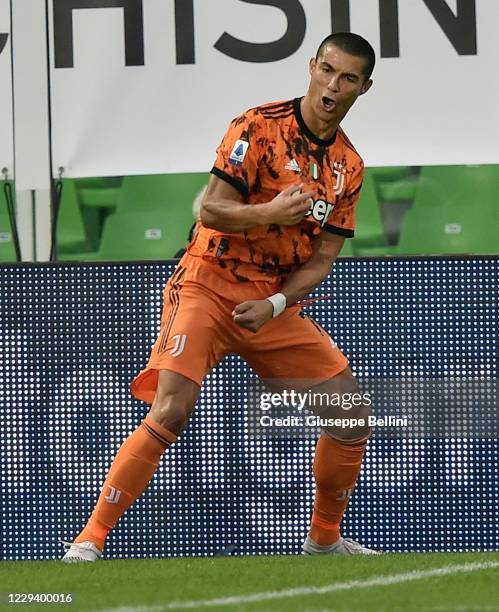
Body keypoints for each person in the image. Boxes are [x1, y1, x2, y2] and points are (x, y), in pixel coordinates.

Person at [62, 32, 379, 562]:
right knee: (172, 409)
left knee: (351, 415)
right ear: (311, 66)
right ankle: (89, 540)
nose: (331, 86)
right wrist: (269, 214)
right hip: (208, 282)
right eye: (326, 70)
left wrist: (276, 306)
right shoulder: (257, 127)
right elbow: (210, 210)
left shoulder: (348, 165)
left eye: (347, 78)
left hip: (269, 301)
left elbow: (322, 260)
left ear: (364, 88)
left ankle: (324, 543)